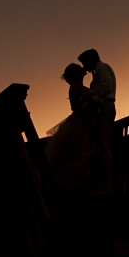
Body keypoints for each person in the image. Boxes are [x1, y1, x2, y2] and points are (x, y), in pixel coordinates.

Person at [44, 63, 95, 195]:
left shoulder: (84, 87)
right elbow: (75, 106)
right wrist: (86, 114)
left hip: (84, 124)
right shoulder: (75, 87)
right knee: (85, 156)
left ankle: (67, 184)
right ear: (75, 72)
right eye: (78, 67)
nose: (81, 68)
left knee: (82, 155)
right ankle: (61, 182)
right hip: (77, 124)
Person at [78, 48, 116, 195]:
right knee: (100, 145)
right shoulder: (99, 70)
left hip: (104, 107)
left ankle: (106, 187)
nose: (84, 67)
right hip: (103, 106)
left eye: (84, 62)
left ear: (92, 59)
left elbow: (106, 86)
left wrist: (92, 98)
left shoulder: (101, 68)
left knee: (103, 146)